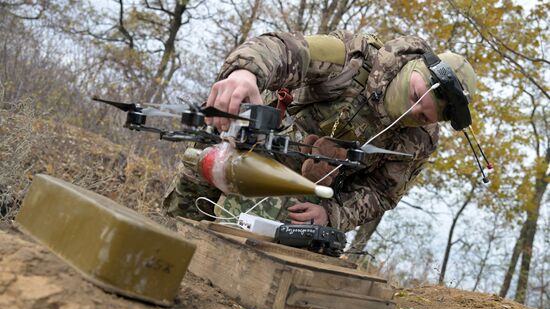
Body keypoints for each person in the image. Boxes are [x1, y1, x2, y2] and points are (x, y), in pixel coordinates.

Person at [162, 30, 476, 232]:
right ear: (413, 67)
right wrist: (245, 74)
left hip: (303, 198)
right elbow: (286, 50)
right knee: (194, 174)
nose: (411, 111)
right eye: (413, 96)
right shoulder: (353, 59)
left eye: (422, 116)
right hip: (245, 151)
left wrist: (331, 214)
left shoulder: (418, 141)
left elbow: (381, 192)